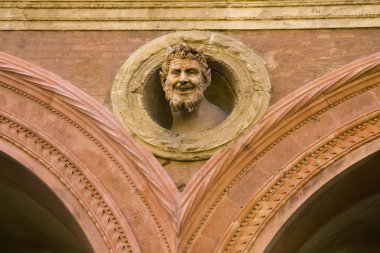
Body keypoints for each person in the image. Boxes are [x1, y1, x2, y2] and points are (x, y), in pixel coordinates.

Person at [160, 43, 227, 133]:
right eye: (176, 72)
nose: (183, 79)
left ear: (206, 79)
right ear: (163, 81)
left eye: (191, 72)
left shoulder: (221, 121)